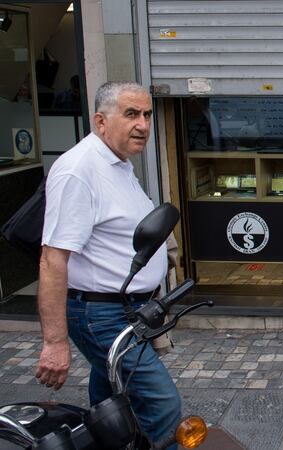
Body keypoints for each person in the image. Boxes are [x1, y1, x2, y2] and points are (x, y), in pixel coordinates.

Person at [34, 81, 181, 446]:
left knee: (110, 405)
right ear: (100, 121)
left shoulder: (118, 163)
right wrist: (54, 341)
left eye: (147, 114)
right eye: (131, 114)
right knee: (163, 405)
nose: (143, 124)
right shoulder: (79, 170)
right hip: (101, 315)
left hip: (129, 310)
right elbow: (53, 259)